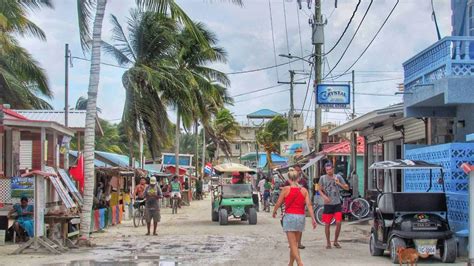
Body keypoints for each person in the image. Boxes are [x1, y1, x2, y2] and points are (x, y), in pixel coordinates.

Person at [273, 168, 317, 266]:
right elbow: (309, 205)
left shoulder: (286, 189)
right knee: (295, 244)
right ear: (298, 179)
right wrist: (313, 219)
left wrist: (274, 211)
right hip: (301, 217)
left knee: (292, 244)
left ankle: (300, 262)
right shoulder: (304, 190)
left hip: (289, 217)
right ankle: (290, 264)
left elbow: (278, 203)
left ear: (288, 179)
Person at [318, 162, 350, 249]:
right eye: (327, 170)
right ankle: (328, 242)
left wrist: (339, 183)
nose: (328, 171)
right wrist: (324, 196)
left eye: (330, 169)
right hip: (328, 204)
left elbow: (347, 187)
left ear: (333, 169)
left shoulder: (338, 177)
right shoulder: (322, 178)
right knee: (327, 224)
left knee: (339, 222)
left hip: (337, 203)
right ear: (325, 170)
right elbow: (318, 189)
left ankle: (335, 241)